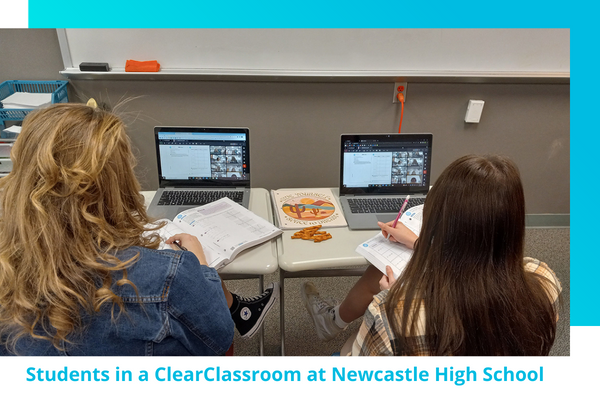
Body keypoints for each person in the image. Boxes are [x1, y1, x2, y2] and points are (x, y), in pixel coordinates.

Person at [0, 102, 277, 356]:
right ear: (117, 183)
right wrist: (200, 266)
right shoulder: (170, 275)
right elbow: (219, 336)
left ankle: (241, 307)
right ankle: (238, 308)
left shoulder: (8, 268)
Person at [302, 154, 561, 356]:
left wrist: (393, 299)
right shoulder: (544, 279)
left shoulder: (394, 315)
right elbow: (480, 256)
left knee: (355, 338)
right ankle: (332, 320)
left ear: (438, 222)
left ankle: (333, 322)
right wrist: (417, 243)